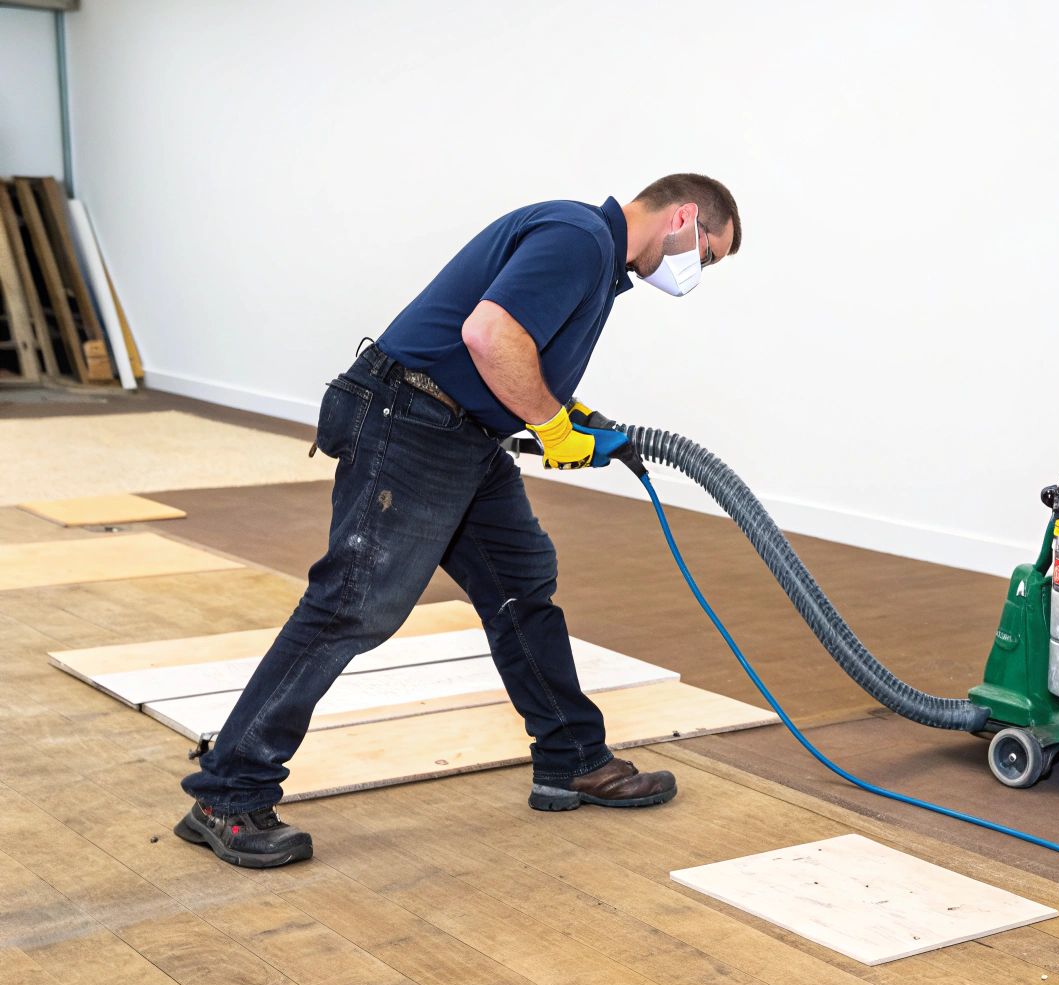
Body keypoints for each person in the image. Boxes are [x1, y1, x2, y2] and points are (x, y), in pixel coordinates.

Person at [173, 173, 741, 868]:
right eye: (706, 254)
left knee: (521, 585)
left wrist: (571, 412)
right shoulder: (580, 238)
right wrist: (553, 426)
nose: (697, 272)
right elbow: (489, 333)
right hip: (410, 422)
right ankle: (226, 794)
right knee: (352, 607)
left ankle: (571, 757)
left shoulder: (595, 256)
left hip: (461, 433)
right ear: (684, 216)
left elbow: (519, 350)